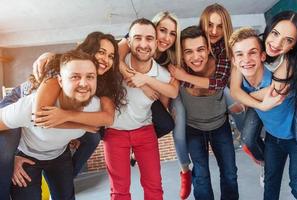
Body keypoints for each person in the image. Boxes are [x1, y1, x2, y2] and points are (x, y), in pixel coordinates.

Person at [0, 31, 126, 200]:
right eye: (101, 52)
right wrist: (14, 159)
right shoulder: (59, 69)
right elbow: (41, 115)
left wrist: (68, 117)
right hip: (20, 99)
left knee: (93, 138)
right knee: (6, 153)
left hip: (56, 151)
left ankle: (65, 176)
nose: (106, 59)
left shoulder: (101, 90)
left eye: (111, 56)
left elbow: (106, 118)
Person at [230, 11, 297, 195]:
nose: (277, 44)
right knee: (269, 184)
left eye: (288, 40)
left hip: (294, 138)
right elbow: (236, 90)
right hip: (272, 138)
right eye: (275, 34)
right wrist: (259, 104)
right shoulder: (245, 55)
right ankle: (264, 164)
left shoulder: (286, 77)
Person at [103, 18, 178, 200]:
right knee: (119, 192)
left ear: (156, 42)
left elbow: (173, 91)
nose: (143, 44)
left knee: (154, 188)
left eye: (149, 38)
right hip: (114, 133)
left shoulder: (161, 74)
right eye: (138, 38)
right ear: (129, 41)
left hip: (145, 132)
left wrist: (146, 81)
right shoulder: (113, 65)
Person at [168, 3, 234, 199]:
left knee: (230, 174)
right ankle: (184, 170)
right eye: (210, 25)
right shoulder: (178, 60)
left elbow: (220, 82)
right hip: (193, 128)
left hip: (220, 125)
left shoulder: (224, 54)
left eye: (220, 26)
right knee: (202, 177)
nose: (214, 31)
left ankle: (252, 146)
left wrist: (185, 77)